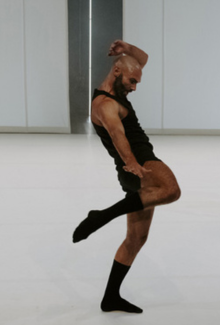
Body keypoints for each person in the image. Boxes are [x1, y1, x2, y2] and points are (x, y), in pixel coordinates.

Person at [72, 40, 181, 313]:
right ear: (118, 71)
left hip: (133, 173)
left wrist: (126, 46)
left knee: (136, 239)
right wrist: (132, 162)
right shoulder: (104, 104)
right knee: (171, 190)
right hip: (142, 164)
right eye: (133, 81)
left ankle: (110, 298)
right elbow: (117, 134)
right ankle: (101, 216)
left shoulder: (119, 86)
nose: (134, 87)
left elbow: (143, 58)